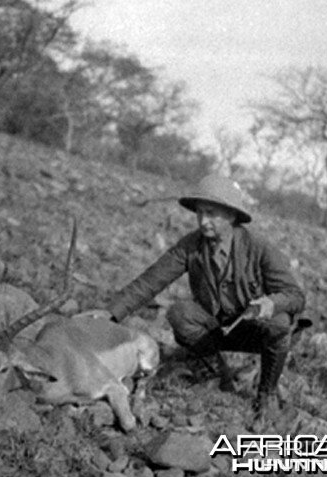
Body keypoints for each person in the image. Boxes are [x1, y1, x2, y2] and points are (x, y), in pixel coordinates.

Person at [105, 174, 306, 418]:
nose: (203, 221)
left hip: (255, 330)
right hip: (215, 327)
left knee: (279, 322)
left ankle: (267, 393)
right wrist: (110, 313)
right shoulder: (191, 245)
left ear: (231, 216)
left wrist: (271, 303)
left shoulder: (259, 247)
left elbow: (295, 296)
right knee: (180, 314)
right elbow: (150, 281)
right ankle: (214, 372)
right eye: (200, 213)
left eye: (211, 214)